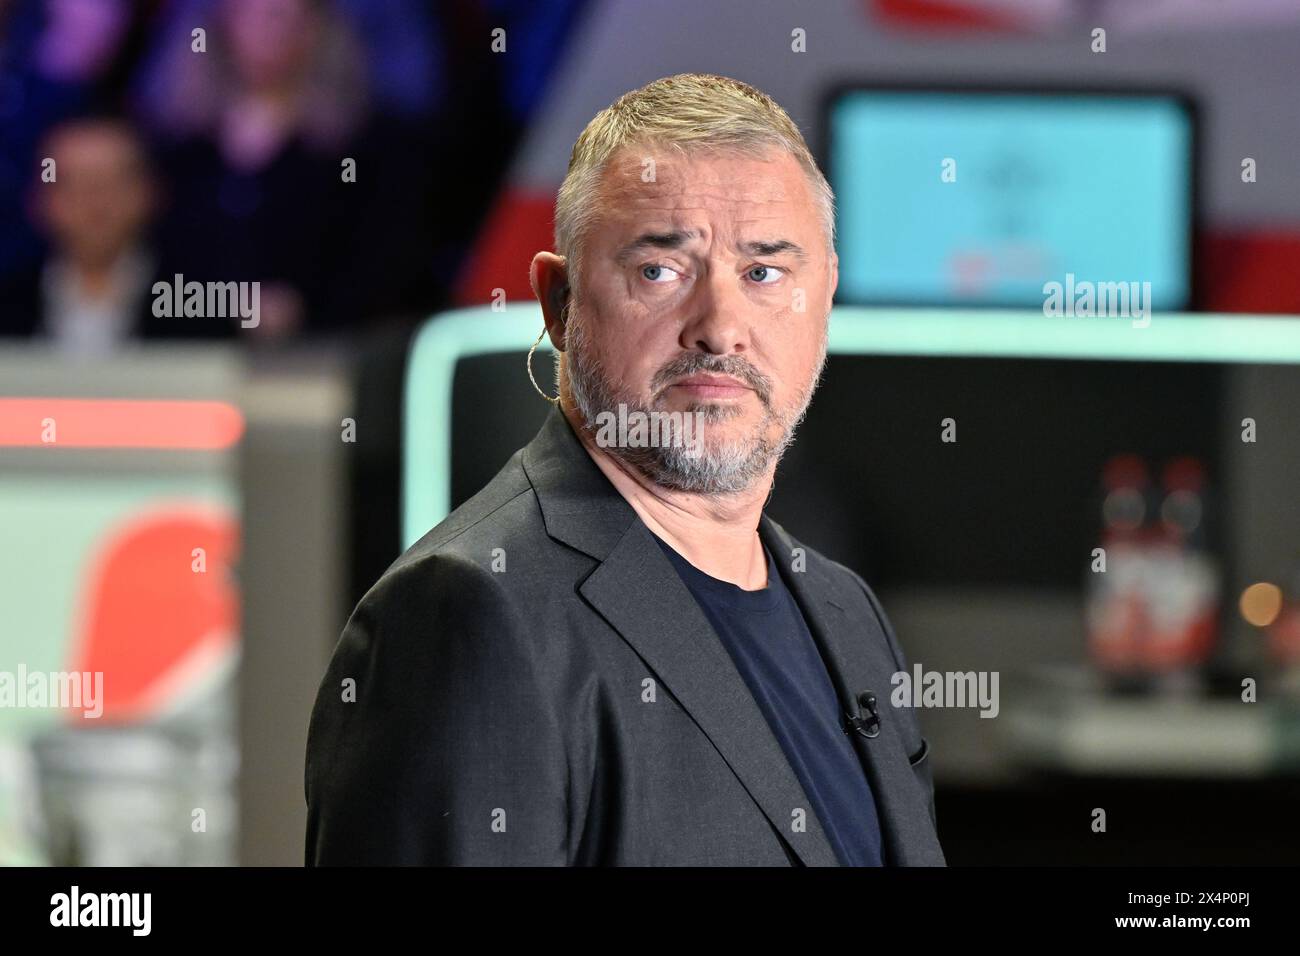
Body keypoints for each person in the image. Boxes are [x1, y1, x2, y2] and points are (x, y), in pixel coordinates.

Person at [305, 73, 945, 866]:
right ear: (558, 303)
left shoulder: (845, 613)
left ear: (825, 299)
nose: (720, 329)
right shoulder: (466, 612)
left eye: (764, 274)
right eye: (660, 272)